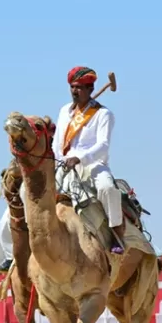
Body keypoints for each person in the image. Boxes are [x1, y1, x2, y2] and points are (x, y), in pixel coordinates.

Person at [52, 66, 123, 253]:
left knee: (107, 189)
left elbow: (103, 146)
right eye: (73, 87)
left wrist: (80, 158)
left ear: (91, 89)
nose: (75, 92)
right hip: (62, 166)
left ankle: (117, 234)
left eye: (80, 88)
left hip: (92, 165)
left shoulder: (103, 114)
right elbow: (56, 143)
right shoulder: (64, 112)